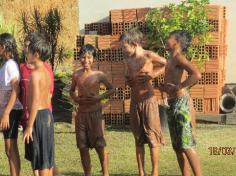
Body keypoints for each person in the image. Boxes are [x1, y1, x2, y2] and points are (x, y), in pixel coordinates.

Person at [120, 28, 166, 176]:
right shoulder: (127, 59)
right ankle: (141, 172)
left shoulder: (149, 55)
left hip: (149, 102)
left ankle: (155, 172)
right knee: (138, 138)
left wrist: (152, 74)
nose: (123, 50)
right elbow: (128, 76)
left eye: (124, 47)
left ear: (133, 44)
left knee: (152, 138)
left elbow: (166, 63)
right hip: (135, 102)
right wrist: (128, 80)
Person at [70, 44, 115, 176]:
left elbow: (111, 89)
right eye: (83, 57)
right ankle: (87, 173)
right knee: (82, 147)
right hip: (81, 115)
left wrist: (98, 98)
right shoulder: (76, 75)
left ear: (93, 59)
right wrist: (77, 100)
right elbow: (72, 91)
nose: (86, 60)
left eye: (89, 57)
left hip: (96, 114)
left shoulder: (99, 74)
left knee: (100, 145)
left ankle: (105, 173)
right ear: (79, 58)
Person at [161, 30, 202, 176]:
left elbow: (196, 75)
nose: (166, 39)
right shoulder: (170, 59)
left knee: (186, 144)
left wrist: (179, 86)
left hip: (181, 104)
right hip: (172, 104)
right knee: (177, 147)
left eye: (169, 37)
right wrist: (164, 88)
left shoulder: (179, 58)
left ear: (177, 43)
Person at [20, 32, 60, 176]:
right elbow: (48, 96)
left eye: (29, 51)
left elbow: (35, 101)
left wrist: (29, 126)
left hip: (39, 117)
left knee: (42, 158)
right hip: (47, 115)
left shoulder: (35, 74)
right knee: (47, 157)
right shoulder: (46, 72)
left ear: (36, 54)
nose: (27, 53)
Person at [0, 33, 23, 176]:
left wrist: (6, 113)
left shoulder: (10, 65)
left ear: (3, 47)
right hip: (8, 111)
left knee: (10, 148)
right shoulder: (6, 65)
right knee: (9, 148)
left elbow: (16, 88)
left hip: (12, 111)